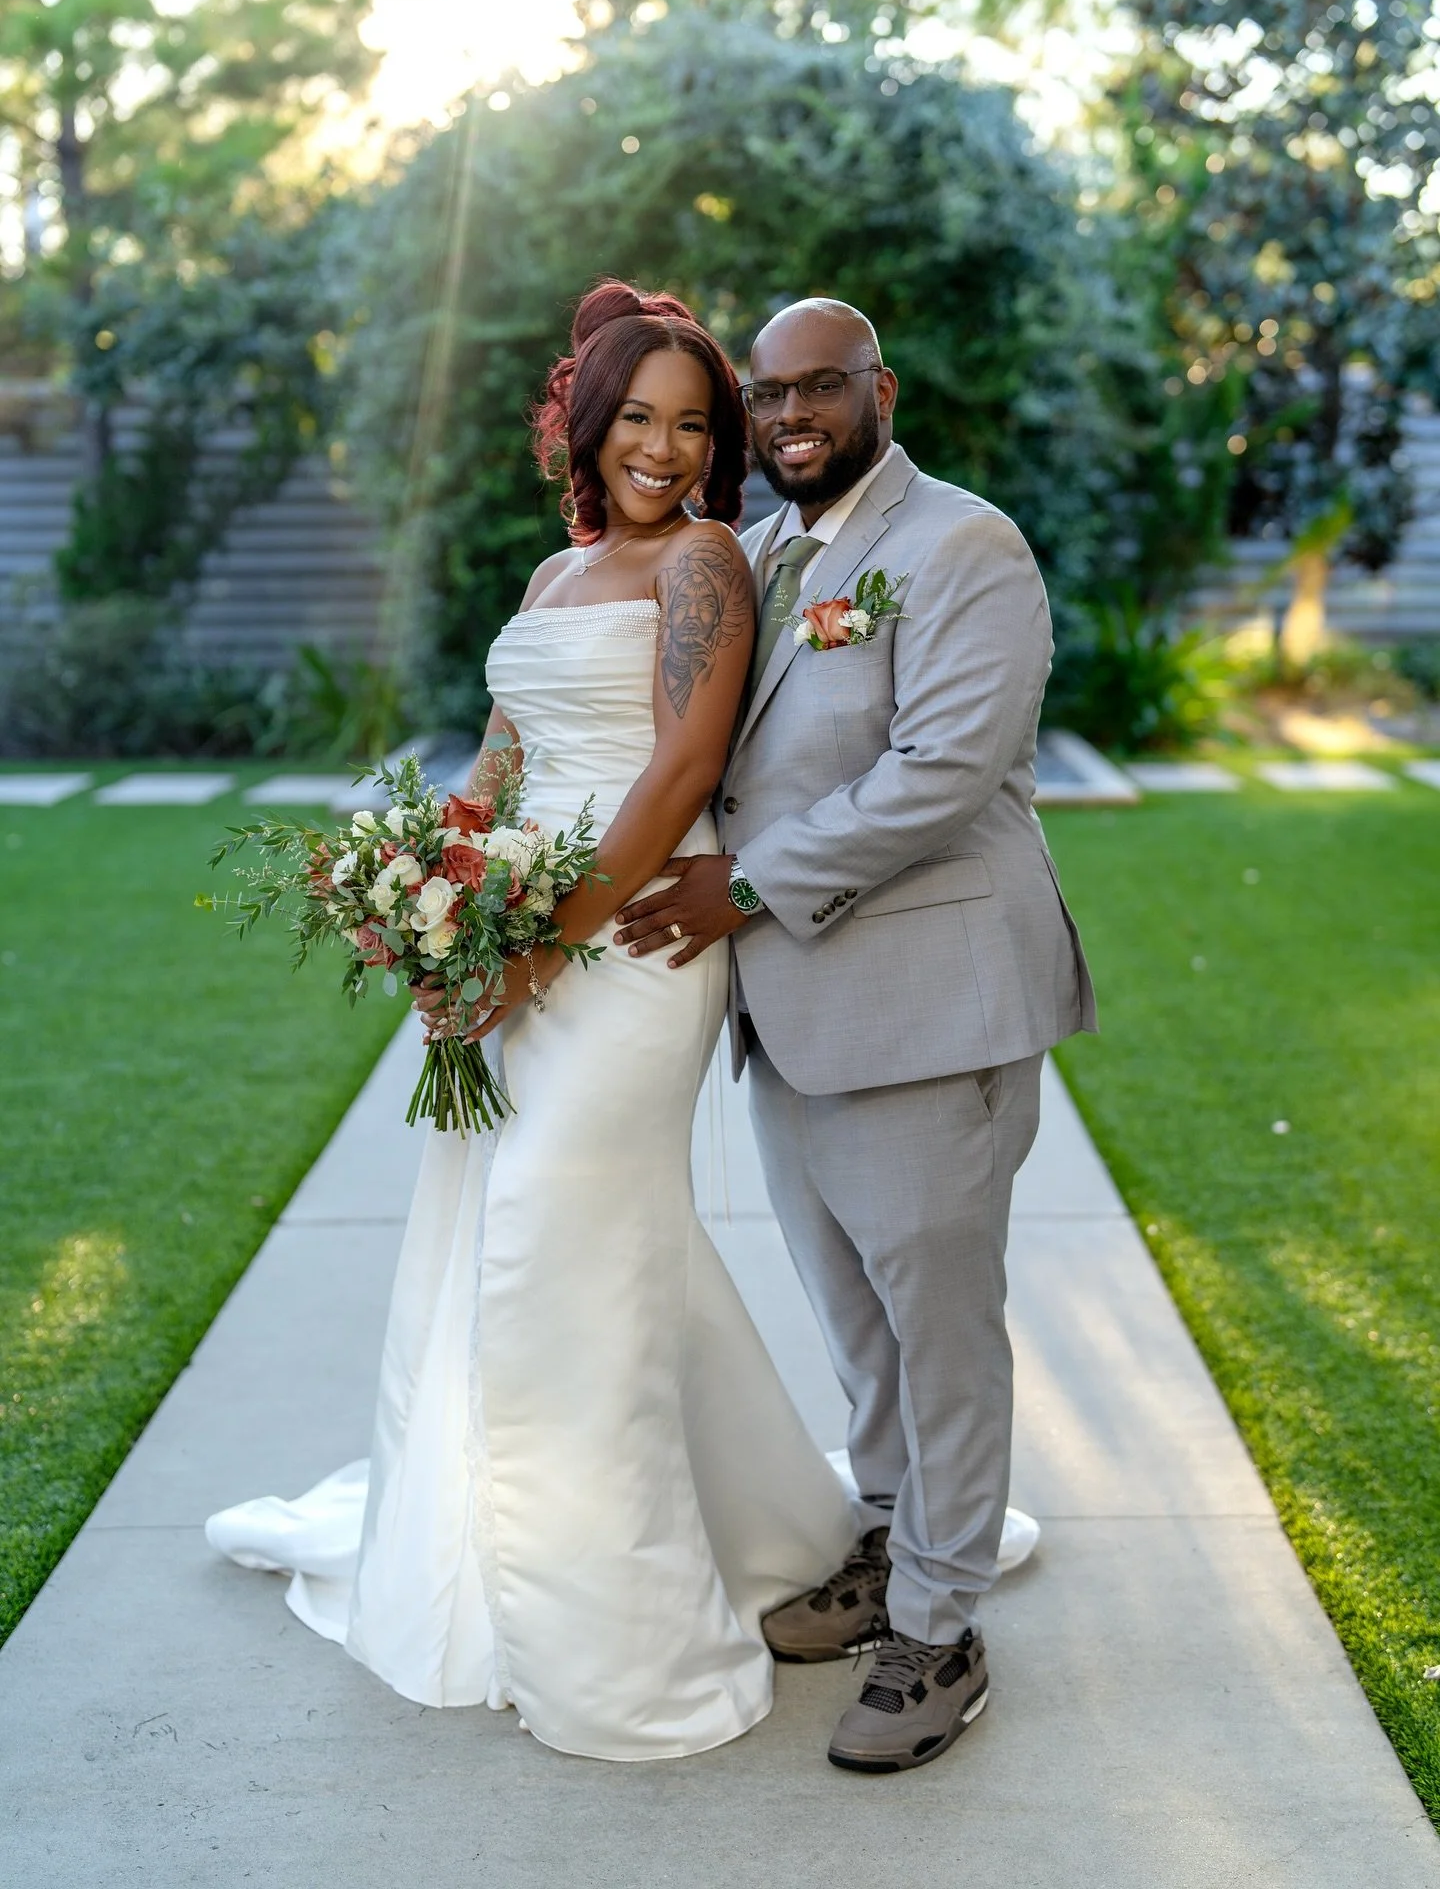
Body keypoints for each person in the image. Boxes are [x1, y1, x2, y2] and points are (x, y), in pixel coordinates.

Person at [206, 281, 860, 1761]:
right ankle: (547, 1559)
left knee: (556, 1237)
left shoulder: (703, 567)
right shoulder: (556, 575)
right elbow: (501, 764)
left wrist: (542, 951)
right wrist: (419, 890)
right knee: (556, 1242)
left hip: (625, 945)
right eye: (641, 417)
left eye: (695, 426)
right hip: (513, 937)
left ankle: (614, 1636)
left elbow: (681, 769)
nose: (667, 449)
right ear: (588, 420)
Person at [615, 298, 1096, 1773]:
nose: (787, 414)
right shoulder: (764, 555)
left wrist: (742, 887)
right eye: (766, 393)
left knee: (940, 1332)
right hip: (798, 1013)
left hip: (928, 1003)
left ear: (880, 389)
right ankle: (893, 1543)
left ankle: (943, 1630)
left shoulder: (962, 547)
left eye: (819, 386)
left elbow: (944, 773)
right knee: (861, 1326)